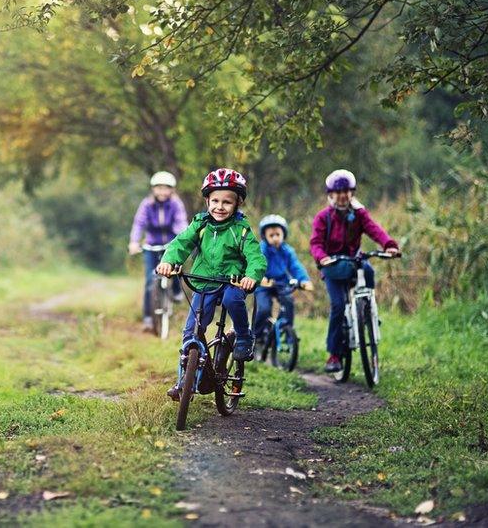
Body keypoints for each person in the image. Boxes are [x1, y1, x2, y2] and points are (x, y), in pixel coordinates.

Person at [155, 168, 266, 400]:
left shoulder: (241, 230)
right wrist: (168, 261)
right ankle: (183, 381)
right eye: (215, 200)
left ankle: (244, 336)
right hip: (203, 282)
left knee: (232, 299)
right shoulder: (200, 224)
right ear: (207, 200)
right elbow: (181, 243)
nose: (220, 206)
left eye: (227, 202)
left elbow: (256, 257)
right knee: (191, 331)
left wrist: (251, 277)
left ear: (237, 204)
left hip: (232, 281)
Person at [309, 169, 400, 373]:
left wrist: (389, 244)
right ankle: (334, 354)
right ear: (330, 195)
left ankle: (368, 309)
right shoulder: (323, 217)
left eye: (347, 191)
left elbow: (374, 229)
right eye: (338, 192)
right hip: (332, 266)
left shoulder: (359, 213)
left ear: (352, 193)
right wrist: (321, 256)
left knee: (368, 270)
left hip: (354, 261)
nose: (342, 195)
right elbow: (315, 242)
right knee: (338, 306)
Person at [128, 171, 189, 331]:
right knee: (150, 280)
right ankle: (148, 318)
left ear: (172, 190)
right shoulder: (147, 204)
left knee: (174, 269)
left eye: (166, 188)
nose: (162, 192)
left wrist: (182, 238)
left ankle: (176, 291)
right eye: (158, 188)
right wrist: (134, 242)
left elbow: (181, 222)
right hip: (151, 245)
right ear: (153, 189)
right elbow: (138, 224)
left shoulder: (176, 204)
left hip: (171, 245)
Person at [252, 214, 313, 343]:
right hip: (264, 284)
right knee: (264, 309)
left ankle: (287, 330)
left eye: (277, 235)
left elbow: (296, 266)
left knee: (288, 303)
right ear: (265, 236)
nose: (275, 238)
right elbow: (256, 265)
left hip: (281, 283)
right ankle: (255, 337)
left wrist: (303, 280)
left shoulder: (287, 251)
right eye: (271, 235)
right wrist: (260, 278)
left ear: (283, 235)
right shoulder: (262, 249)